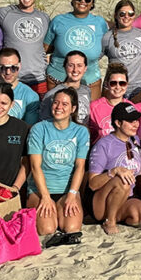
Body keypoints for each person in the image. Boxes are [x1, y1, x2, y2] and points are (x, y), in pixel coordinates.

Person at [26, 87, 90, 239]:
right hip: (40, 189)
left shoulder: (81, 131)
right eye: (56, 102)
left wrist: (72, 195)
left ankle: (62, 206)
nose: (59, 107)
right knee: (47, 229)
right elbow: (35, 167)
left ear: (73, 108)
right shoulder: (39, 129)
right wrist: (45, 197)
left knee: (71, 228)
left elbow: (80, 167)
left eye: (65, 104)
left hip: (67, 189)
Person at [87, 100, 141, 235]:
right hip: (101, 200)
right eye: (130, 121)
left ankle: (116, 214)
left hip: (126, 197)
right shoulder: (104, 144)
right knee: (122, 180)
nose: (135, 124)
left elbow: (137, 170)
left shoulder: (135, 140)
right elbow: (92, 184)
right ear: (118, 123)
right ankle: (109, 221)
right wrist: (114, 171)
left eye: (136, 120)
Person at [0, 0, 51, 97]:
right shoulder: (3, 14)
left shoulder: (44, 18)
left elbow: (49, 45)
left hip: (38, 79)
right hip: (11, 77)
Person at [44, 0, 108, 100]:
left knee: (89, 114)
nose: (83, 1)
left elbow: (107, 42)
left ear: (92, 3)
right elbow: (46, 48)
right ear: (73, 0)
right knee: (58, 113)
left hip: (90, 79)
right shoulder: (59, 20)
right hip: (58, 78)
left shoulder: (99, 22)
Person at [102, 0, 141, 100]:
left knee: (135, 115)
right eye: (122, 14)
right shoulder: (108, 36)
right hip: (113, 86)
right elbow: (94, 58)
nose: (127, 17)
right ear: (116, 15)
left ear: (134, 15)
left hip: (135, 87)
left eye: (130, 14)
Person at [39, 51, 91, 127]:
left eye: (79, 65)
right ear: (65, 66)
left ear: (85, 68)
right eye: (71, 65)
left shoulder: (87, 91)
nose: (75, 70)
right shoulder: (52, 94)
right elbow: (44, 122)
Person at [87, 64, 130, 143]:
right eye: (113, 83)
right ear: (107, 84)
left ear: (127, 85)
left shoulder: (131, 107)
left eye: (122, 83)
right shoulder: (94, 107)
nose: (118, 87)